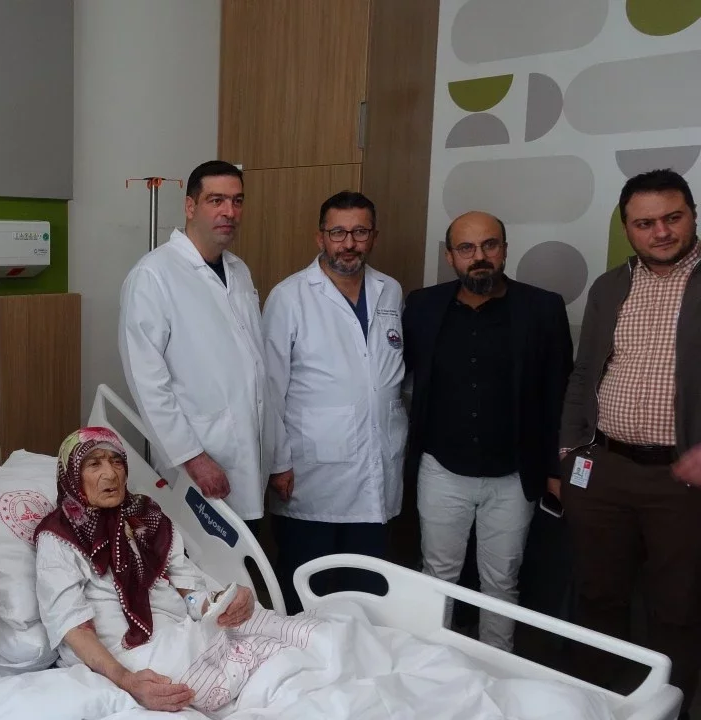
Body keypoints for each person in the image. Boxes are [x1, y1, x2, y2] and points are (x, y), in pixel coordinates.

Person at [559, 168, 701, 709]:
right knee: (597, 595)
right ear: (627, 228)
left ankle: (666, 708)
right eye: (645, 223)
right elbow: (584, 372)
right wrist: (569, 447)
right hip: (604, 469)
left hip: (681, 477)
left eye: (672, 217)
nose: (660, 232)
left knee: (677, 607)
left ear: (692, 215)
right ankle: (598, 703)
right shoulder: (609, 286)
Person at [402, 211, 573, 652]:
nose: (479, 256)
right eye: (466, 248)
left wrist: (554, 469)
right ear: (450, 256)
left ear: (504, 250)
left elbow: (560, 393)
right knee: (437, 575)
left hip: (514, 474)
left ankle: (495, 669)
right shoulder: (422, 306)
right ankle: (431, 664)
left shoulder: (543, 308)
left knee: (502, 581)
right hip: (441, 468)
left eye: (489, 245)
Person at [34, 427, 256, 713]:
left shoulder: (146, 516)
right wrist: (127, 681)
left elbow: (187, 588)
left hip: (181, 633)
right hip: (121, 654)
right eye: (94, 464)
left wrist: (221, 605)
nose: (110, 474)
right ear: (72, 476)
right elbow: (72, 626)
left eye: (116, 461)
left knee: (271, 653)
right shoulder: (58, 537)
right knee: (230, 679)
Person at [261, 191, 406, 614]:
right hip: (312, 475)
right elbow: (269, 389)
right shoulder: (290, 296)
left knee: (366, 595)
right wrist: (278, 463)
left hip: (377, 469)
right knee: (308, 595)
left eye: (359, 232)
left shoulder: (390, 291)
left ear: (373, 236)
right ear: (320, 237)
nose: (349, 243)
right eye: (338, 232)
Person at [118, 160, 269, 531]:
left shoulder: (238, 271)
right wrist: (193, 457)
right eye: (216, 200)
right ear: (190, 206)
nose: (229, 211)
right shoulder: (153, 275)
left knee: (246, 554)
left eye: (237, 201)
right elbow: (148, 382)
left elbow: (255, 365)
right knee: (205, 557)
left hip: (247, 453)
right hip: (199, 461)